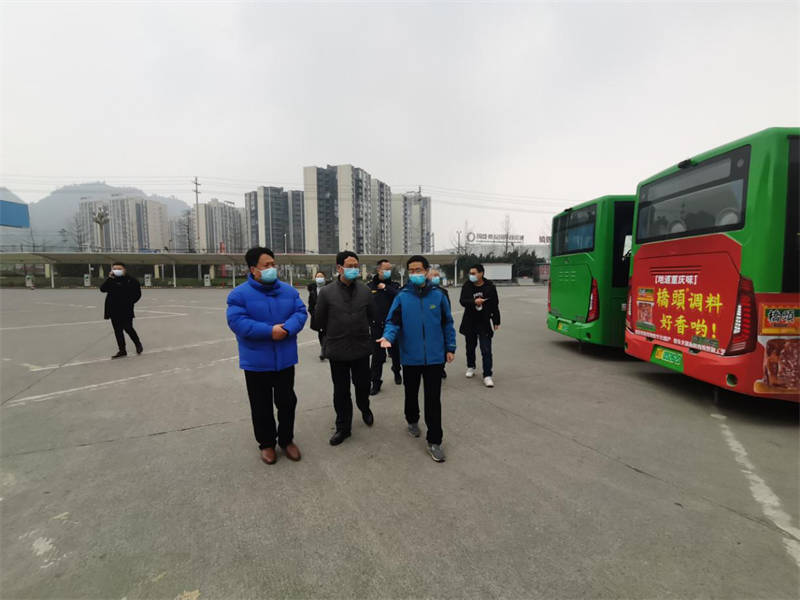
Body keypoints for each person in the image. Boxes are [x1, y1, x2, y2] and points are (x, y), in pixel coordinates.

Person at [227, 247, 308, 465]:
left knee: (287, 402)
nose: (272, 268)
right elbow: (237, 322)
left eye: (273, 264)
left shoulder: (288, 291)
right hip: (256, 362)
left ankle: (286, 440)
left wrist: (287, 328)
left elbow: (300, 313)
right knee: (261, 405)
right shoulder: (239, 295)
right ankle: (266, 444)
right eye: (267, 265)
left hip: (285, 359)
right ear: (253, 269)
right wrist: (269, 331)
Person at [378, 255, 456, 463]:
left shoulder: (438, 296)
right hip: (410, 356)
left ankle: (435, 441)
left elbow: (447, 323)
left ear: (427, 271)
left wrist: (450, 347)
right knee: (411, 393)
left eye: (418, 270)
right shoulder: (402, 297)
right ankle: (412, 420)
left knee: (433, 400)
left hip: (435, 358)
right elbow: (393, 321)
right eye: (411, 271)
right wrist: (388, 337)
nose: (415, 274)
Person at [312, 251, 376, 446]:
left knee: (363, 385)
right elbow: (318, 322)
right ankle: (343, 427)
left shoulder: (365, 291)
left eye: (356, 265)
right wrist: (332, 333)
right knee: (341, 391)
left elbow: (372, 316)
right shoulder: (327, 292)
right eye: (350, 266)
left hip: (361, 348)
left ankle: (364, 407)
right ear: (339, 268)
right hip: (337, 350)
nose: (354, 269)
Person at [459, 263, 501, 387]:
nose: (471, 275)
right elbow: (462, 301)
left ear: (481, 273)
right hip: (470, 322)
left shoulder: (490, 287)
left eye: (473, 273)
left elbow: (495, 304)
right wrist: (474, 301)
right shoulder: (467, 285)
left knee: (486, 349)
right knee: (470, 347)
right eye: (470, 273)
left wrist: (496, 320)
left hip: (484, 322)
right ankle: (471, 366)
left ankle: (487, 375)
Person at [367, 259, 402, 395]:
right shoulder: (370, 286)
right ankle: (376, 382)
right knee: (377, 357)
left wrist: (386, 288)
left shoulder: (394, 285)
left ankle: (397, 371)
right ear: (378, 270)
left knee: (395, 353)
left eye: (389, 269)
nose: (388, 271)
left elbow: (400, 297)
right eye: (385, 269)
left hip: (393, 325)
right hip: (377, 327)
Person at [100, 262, 143, 359]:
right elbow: (102, 289)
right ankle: (122, 350)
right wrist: (110, 278)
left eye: (119, 269)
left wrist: (130, 302)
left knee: (128, 328)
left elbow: (137, 294)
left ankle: (137, 343)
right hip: (113, 309)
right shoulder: (111, 280)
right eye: (114, 269)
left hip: (126, 309)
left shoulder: (131, 280)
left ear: (124, 270)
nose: (116, 270)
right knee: (117, 330)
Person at [428, 267, 449, 379]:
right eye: (434, 275)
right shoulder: (423, 292)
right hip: (429, 324)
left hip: (441, 324)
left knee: (442, 348)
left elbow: (447, 310)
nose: (436, 277)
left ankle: (441, 367)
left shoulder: (443, 292)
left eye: (437, 275)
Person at [307, 271, 327, 361]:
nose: (319, 278)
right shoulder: (312, 291)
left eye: (321, 276)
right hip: (318, 316)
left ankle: (323, 351)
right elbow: (310, 306)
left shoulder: (329, 289)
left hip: (329, 316)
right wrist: (314, 314)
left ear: (324, 278)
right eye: (318, 277)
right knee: (321, 333)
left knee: (327, 333)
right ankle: (323, 348)